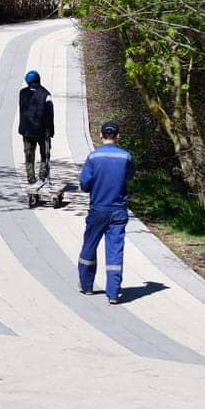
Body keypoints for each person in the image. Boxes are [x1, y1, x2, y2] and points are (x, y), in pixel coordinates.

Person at [78, 121, 135, 304]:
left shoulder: (93, 157)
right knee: (115, 251)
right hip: (118, 211)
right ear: (118, 136)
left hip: (98, 209)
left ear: (101, 135)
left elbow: (84, 184)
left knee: (89, 246)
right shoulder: (126, 157)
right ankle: (113, 293)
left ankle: (87, 285)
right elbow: (129, 176)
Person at [17, 69, 55, 184]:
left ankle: (31, 179)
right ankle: (42, 176)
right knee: (45, 154)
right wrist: (50, 129)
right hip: (42, 131)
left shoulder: (22, 93)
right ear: (39, 80)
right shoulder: (46, 95)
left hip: (27, 131)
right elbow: (50, 114)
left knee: (29, 155)